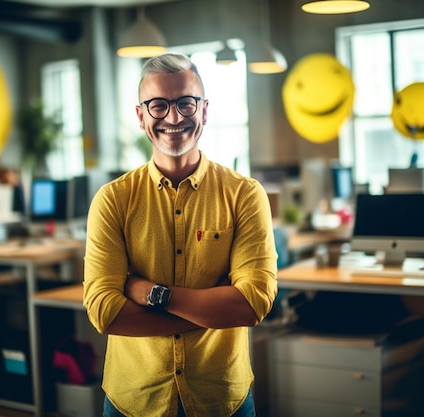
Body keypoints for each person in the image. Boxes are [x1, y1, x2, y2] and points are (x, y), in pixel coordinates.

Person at [83, 53, 278, 417]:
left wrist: (148, 292)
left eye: (185, 103)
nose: (174, 118)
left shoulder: (244, 194)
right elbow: (104, 312)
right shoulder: (113, 199)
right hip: (134, 399)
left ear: (203, 111)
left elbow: (253, 304)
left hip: (222, 398)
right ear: (141, 116)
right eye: (158, 106)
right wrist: (214, 309)